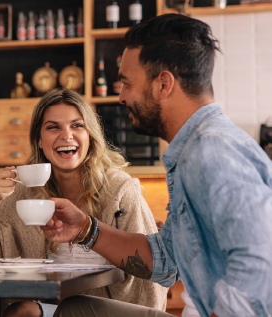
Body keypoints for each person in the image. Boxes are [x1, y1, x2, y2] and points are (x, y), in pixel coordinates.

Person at [44, 14, 272, 317]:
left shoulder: (211, 151)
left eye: (126, 82)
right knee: (77, 309)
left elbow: (261, 261)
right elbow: (166, 262)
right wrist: (84, 228)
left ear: (163, 83)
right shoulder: (193, 150)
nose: (122, 97)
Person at [0, 88, 167, 317]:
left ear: (90, 135)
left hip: (107, 309)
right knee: (21, 312)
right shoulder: (25, 194)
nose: (66, 135)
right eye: (53, 127)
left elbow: (148, 274)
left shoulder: (120, 190)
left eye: (77, 125)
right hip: (52, 309)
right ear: (39, 140)